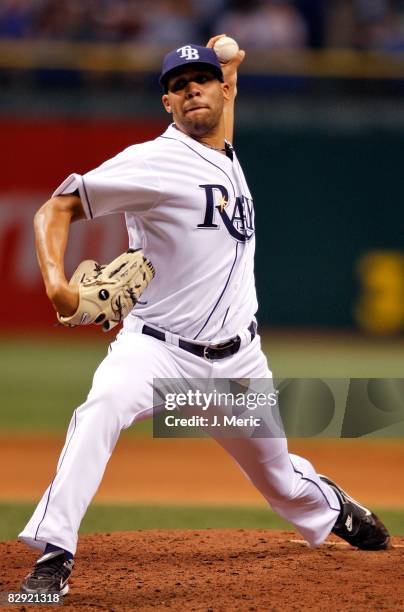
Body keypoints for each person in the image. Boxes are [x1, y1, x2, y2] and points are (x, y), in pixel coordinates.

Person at [19, 36, 390, 596]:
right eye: (176, 85)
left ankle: (332, 506)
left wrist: (233, 67)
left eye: (201, 80)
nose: (191, 89)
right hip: (155, 351)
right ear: (166, 103)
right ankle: (54, 551)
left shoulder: (222, 147)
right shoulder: (153, 161)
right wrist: (57, 287)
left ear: (220, 90)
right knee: (101, 409)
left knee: (281, 482)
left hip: (238, 363)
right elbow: (58, 207)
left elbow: (223, 109)